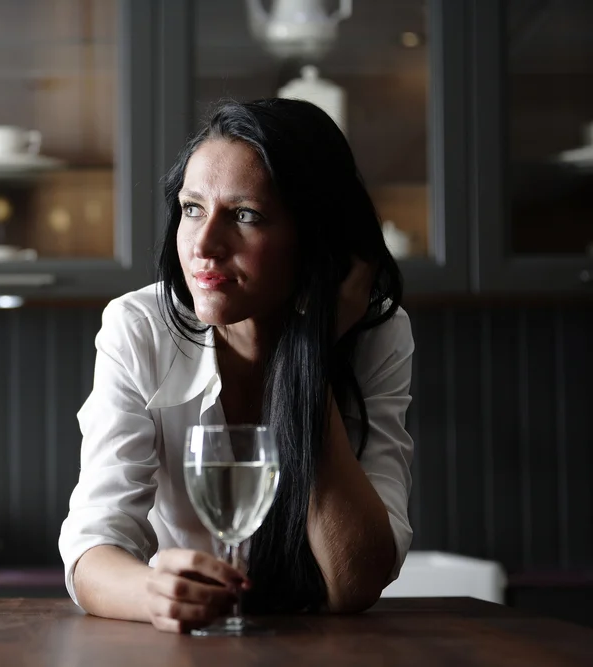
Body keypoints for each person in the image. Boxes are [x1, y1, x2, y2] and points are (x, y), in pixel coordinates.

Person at [57, 98, 415, 633]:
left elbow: (354, 581)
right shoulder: (139, 327)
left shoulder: (375, 334)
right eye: (192, 208)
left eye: (245, 215)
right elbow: (94, 547)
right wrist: (156, 594)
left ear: (315, 238)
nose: (203, 245)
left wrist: (310, 352)